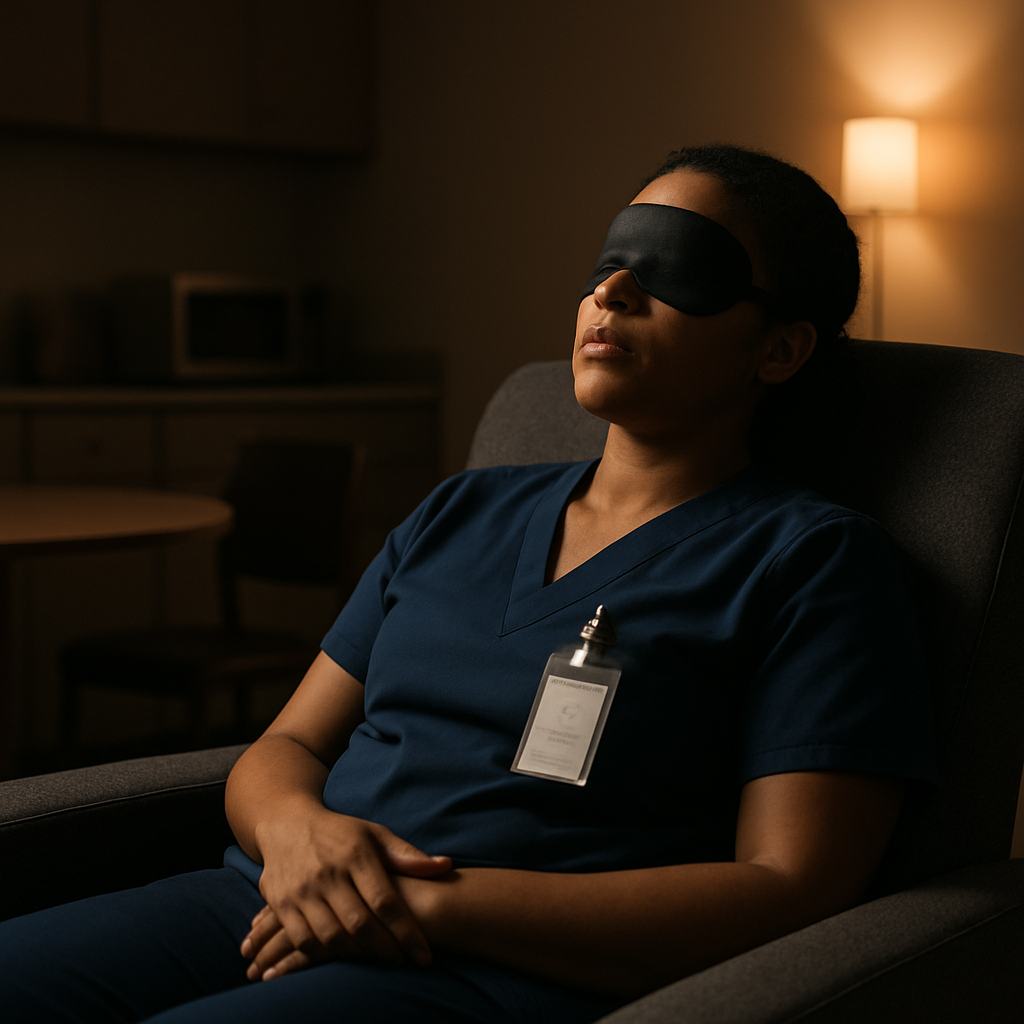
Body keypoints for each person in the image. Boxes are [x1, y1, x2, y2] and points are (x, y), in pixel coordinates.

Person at [0, 145, 936, 1024]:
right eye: (610, 261)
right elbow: (286, 739)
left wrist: (422, 901)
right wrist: (297, 835)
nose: (612, 290)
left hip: (482, 969)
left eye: (675, 268)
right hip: (261, 893)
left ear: (778, 350)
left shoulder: (813, 561)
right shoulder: (460, 511)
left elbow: (791, 889)